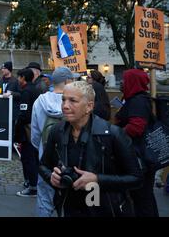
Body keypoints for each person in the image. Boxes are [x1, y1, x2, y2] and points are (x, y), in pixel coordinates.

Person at [39, 81, 143, 217]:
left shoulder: (113, 134)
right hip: (69, 207)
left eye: (73, 101)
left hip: (105, 209)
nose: (65, 106)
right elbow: (43, 166)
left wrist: (97, 179)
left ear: (89, 106)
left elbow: (136, 178)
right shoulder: (57, 131)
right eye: (63, 99)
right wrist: (52, 178)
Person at [31, 67, 75, 216]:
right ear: (68, 81)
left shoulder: (40, 101)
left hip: (47, 159)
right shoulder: (76, 102)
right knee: (72, 199)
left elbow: (35, 134)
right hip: (72, 159)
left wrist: (44, 149)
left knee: (44, 198)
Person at [114, 69, 159, 217]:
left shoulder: (137, 101)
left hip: (139, 158)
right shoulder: (137, 99)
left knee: (141, 198)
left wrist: (116, 136)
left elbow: (136, 127)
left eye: (125, 80)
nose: (122, 82)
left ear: (133, 82)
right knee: (144, 196)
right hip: (140, 156)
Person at [15, 68, 41, 197]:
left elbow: (24, 114)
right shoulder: (36, 89)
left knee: (28, 158)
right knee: (33, 158)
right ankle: (32, 183)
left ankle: (32, 186)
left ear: (23, 78)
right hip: (35, 129)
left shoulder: (26, 92)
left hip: (27, 131)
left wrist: (16, 126)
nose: (18, 80)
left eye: (19, 77)